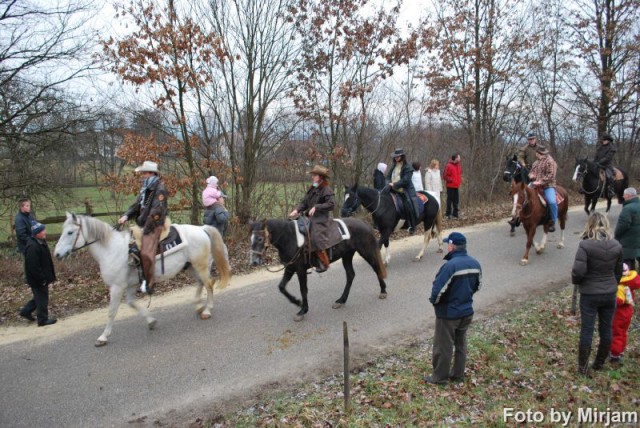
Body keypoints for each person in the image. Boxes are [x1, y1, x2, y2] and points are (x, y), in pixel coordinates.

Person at [424, 232, 482, 384]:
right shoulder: (475, 263)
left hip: (449, 314)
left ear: (451, 246)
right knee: (461, 344)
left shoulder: (450, 266)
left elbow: (437, 291)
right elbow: (477, 286)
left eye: (447, 244)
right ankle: (458, 375)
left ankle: (440, 378)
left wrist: (436, 304)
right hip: (467, 312)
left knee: (443, 346)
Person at [571, 212, 623, 375]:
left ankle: (582, 367)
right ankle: (599, 362)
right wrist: (611, 284)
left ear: (590, 225)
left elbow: (578, 272)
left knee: (587, 329)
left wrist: (578, 281)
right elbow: (618, 272)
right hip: (609, 293)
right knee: (606, 329)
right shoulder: (616, 245)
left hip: (589, 294)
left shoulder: (585, 245)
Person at [118, 160, 169, 294]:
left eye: (144, 173)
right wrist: (126, 216)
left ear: (152, 173)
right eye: (142, 173)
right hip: (143, 222)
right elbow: (137, 206)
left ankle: (149, 282)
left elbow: (157, 211)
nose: (142, 175)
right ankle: (136, 277)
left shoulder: (160, 188)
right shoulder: (146, 189)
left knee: (146, 252)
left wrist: (146, 229)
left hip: (155, 223)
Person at [288, 165, 335, 273]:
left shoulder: (327, 189)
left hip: (321, 218)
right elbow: (305, 203)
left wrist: (317, 207)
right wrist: (297, 210)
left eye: (314, 175)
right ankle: (303, 260)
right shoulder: (312, 188)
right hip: (310, 217)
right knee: (298, 229)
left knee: (315, 234)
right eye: (312, 175)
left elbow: (331, 204)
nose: (312, 177)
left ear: (321, 177)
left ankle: (324, 263)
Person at [19, 222, 57, 326]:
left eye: (44, 230)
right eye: (42, 231)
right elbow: (33, 267)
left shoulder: (40, 242)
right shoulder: (33, 247)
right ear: (36, 234)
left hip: (41, 277)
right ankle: (42, 319)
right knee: (42, 298)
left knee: (39, 296)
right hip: (37, 279)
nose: (45, 232)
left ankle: (25, 311)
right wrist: (42, 279)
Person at [610, 263, 640, 365]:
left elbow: (618, 301)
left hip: (619, 313)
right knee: (623, 332)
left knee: (616, 333)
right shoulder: (630, 282)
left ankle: (615, 354)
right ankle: (621, 350)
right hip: (628, 311)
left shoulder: (620, 287)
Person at [386, 148, 418, 234]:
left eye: (398, 156)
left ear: (402, 156)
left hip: (405, 189)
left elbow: (405, 180)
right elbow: (388, 176)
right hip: (392, 188)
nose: (396, 158)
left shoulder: (408, 167)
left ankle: (411, 225)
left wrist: (395, 184)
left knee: (408, 204)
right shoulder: (393, 166)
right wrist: (388, 183)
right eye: (395, 156)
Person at [528, 145, 558, 232]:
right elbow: (531, 172)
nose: (537, 155)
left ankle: (552, 221)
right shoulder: (536, 162)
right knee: (523, 194)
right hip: (535, 184)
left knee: (552, 201)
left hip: (548, 185)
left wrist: (540, 182)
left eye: (539, 153)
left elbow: (551, 175)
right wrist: (531, 175)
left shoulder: (550, 161)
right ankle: (518, 216)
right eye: (538, 153)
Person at [614, 187, 640, 270]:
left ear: (628, 195)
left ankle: (631, 280)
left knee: (628, 264)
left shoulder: (627, 209)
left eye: (624, 195)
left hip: (629, 242)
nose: (623, 197)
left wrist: (616, 236)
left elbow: (622, 225)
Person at [593, 133, 617, 197]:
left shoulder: (612, 148)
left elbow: (608, 157)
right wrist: (594, 162)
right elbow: (596, 155)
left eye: (604, 140)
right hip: (597, 164)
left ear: (608, 140)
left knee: (609, 177)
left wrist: (600, 162)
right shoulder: (600, 147)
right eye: (603, 140)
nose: (603, 141)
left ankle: (611, 190)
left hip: (606, 165)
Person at [443, 153, 462, 219]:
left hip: (456, 186)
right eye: (459, 157)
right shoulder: (448, 165)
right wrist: (451, 180)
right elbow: (445, 176)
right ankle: (448, 213)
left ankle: (455, 214)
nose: (460, 159)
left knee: (456, 200)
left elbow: (459, 174)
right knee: (449, 200)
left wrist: (459, 181)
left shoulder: (458, 165)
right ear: (456, 158)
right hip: (450, 186)